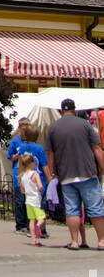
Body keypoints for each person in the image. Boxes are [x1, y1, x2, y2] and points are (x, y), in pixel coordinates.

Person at [46, 97, 104, 250]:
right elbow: (97, 149)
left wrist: (53, 173)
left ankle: (74, 241)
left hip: (66, 175)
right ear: (74, 109)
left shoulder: (53, 128)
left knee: (72, 210)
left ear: (61, 110)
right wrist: (103, 167)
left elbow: (50, 154)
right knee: (95, 208)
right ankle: (101, 241)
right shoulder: (85, 125)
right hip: (87, 172)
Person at [8, 118, 50, 236]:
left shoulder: (23, 148)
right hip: (36, 179)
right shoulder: (38, 148)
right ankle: (40, 229)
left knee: (29, 204)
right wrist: (49, 179)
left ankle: (30, 227)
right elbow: (44, 165)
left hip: (25, 178)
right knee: (39, 204)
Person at [18, 152, 45, 247]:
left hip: (28, 200)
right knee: (41, 218)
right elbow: (40, 186)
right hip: (35, 199)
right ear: (32, 163)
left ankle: (33, 240)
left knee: (31, 220)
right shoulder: (35, 174)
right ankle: (38, 227)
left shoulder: (23, 176)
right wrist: (39, 189)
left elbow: (22, 190)